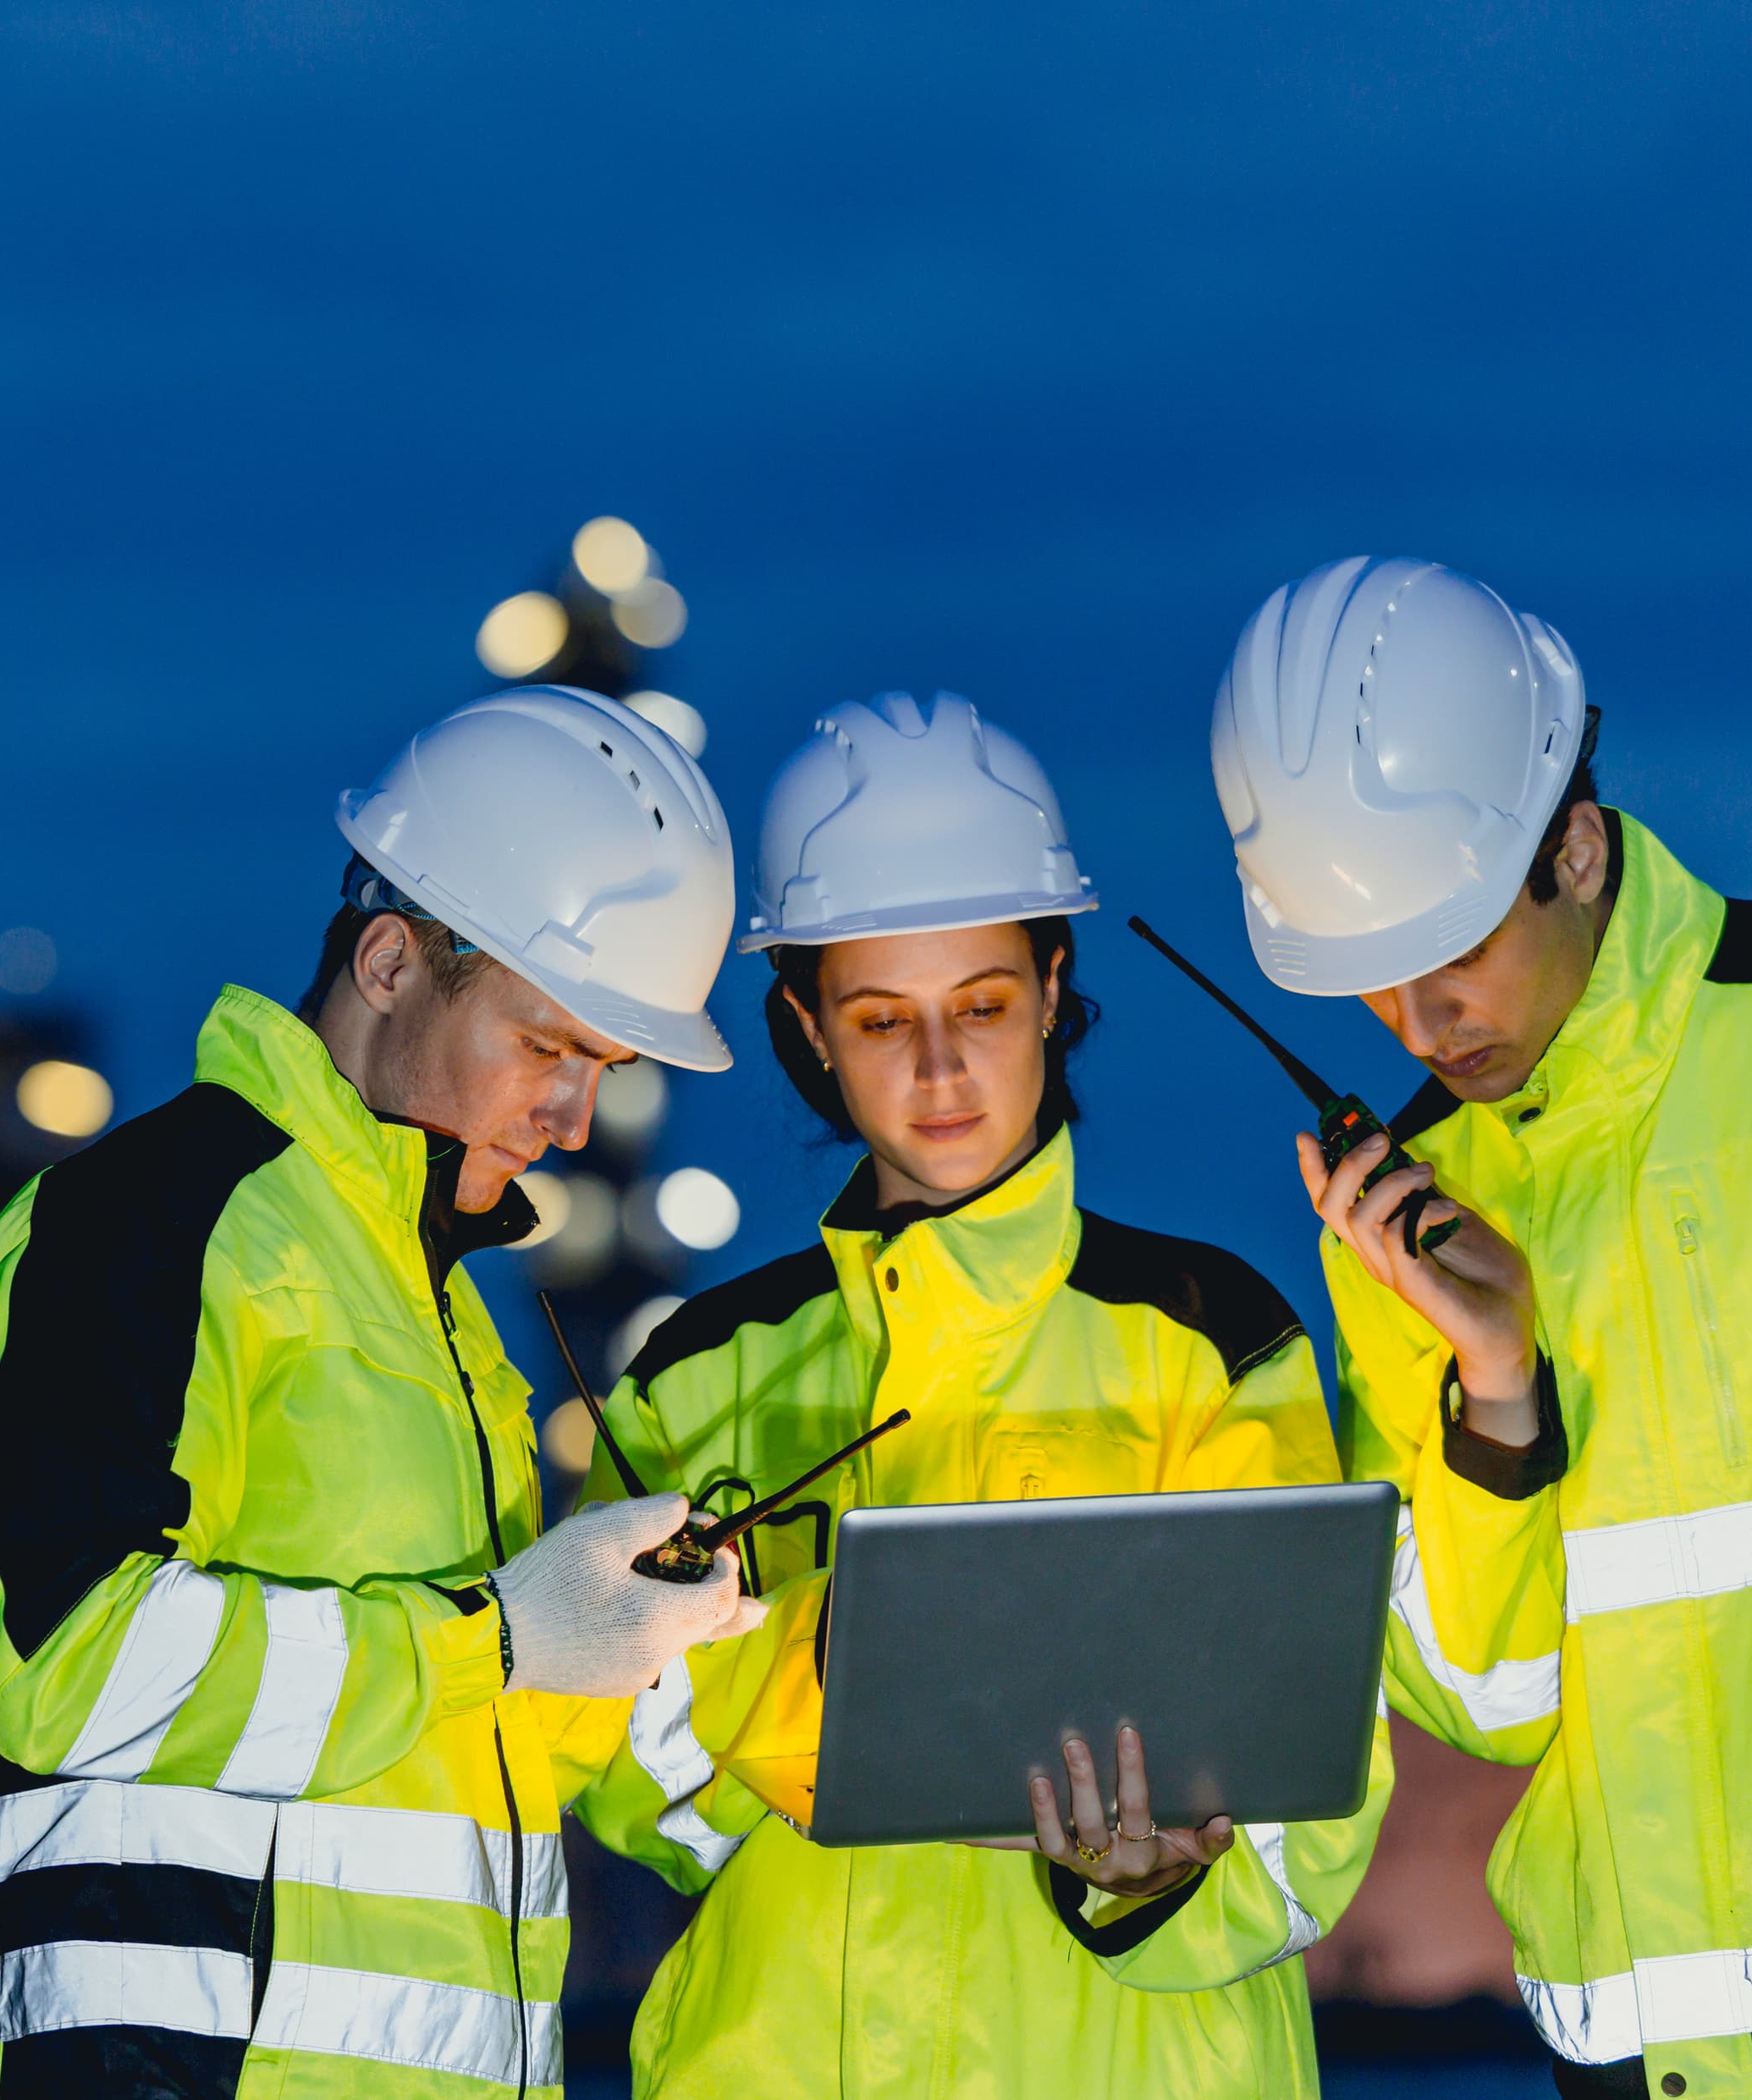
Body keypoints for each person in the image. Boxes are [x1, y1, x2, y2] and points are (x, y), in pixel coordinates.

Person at [1211, 555, 1752, 2099]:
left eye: (1453, 960)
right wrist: (1494, 1389)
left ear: (1574, 846)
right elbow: (1489, 1709)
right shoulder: (1407, 1229)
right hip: (1641, 2060)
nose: (1422, 1029)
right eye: (1372, 986)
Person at [0, 683, 765, 2100]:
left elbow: (450, 1751)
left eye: (603, 1069)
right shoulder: (141, 1225)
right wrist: (497, 1636)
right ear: (388, 961)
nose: (573, 1116)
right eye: (549, 1045)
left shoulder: (444, 1323)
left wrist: (646, 1641)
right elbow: (63, 1662)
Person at [576, 691, 1392, 2099]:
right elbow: (627, 1795)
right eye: (884, 1017)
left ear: (1057, 985)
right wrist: (827, 1679)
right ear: (805, 1024)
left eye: (985, 1006)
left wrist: (1149, 1879)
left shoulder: (1208, 1338)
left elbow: (1317, 1796)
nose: (943, 1067)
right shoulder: (688, 1377)